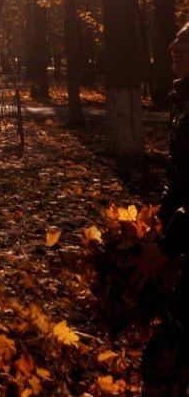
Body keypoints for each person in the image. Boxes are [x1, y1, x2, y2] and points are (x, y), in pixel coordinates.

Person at [135, 21, 189, 396]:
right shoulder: (183, 103)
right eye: (178, 36)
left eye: (186, 41)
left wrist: (167, 248)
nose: (174, 44)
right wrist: (156, 220)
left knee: (163, 364)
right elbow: (182, 180)